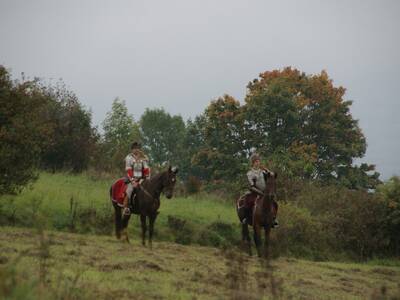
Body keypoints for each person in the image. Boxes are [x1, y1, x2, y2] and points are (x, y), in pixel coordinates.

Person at [243, 153, 279, 227]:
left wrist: (267, 170)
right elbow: (251, 186)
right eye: (256, 161)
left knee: (275, 203)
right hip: (255, 192)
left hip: (265, 192)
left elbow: (272, 175)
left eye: (258, 161)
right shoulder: (250, 173)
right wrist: (260, 193)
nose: (258, 163)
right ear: (253, 163)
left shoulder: (263, 172)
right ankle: (246, 218)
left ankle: (274, 219)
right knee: (247, 201)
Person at [122, 142, 151, 215]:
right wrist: (133, 180)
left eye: (138, 148)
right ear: (132, 150)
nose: (136, 150)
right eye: (135, 149)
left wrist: (147, 177)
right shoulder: (129, 157)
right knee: (130, 190)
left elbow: (146, 168)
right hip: (131, 178)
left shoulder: (143, 158)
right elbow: (128, 169)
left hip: (141, 178)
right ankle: (126, 208)